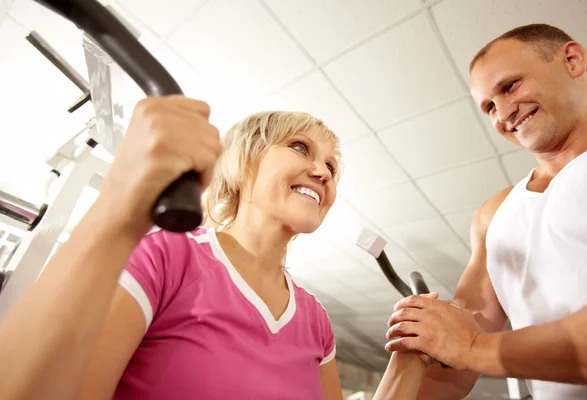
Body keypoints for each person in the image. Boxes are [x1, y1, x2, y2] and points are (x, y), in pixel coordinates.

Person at [0, 95, 430, 400]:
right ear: (243, 162)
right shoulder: (167, 257)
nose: (322, 172)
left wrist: (409, 357)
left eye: (332, 166)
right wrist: (119, 201)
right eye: (300, 147)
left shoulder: (316, 320)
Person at [385, 23, 587, 399]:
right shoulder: (495, 214)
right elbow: (450, 364)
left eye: (510, 86)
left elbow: (466, 345)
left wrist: (469, 348)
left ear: (572, 60)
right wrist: (424, 338)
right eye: (488, 107)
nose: (503, 113)